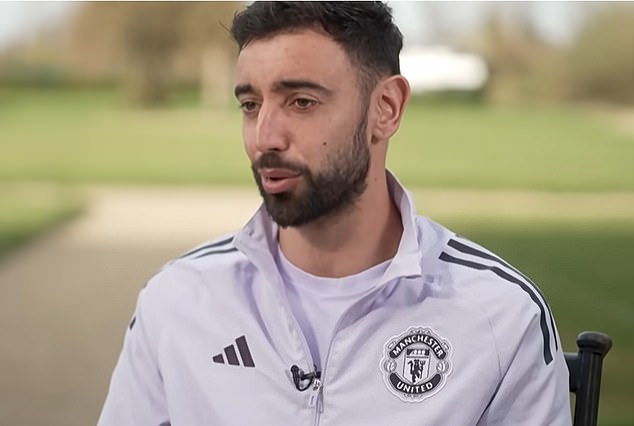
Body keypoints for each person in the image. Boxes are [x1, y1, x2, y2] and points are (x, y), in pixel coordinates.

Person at [98, 2, 571, 425]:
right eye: (250, 105)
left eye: (301, 102)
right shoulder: (177, 301)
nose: (265, 137)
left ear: (386, 108)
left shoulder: (500, 316)